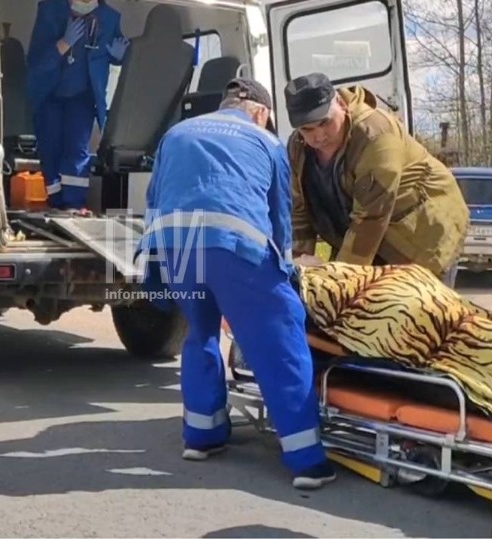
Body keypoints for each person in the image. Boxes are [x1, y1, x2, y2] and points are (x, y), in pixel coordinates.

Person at [134, 78, 337, 490]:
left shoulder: (176, 133)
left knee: (199, 333)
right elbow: (280, 214)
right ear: (261, 113)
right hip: (235, 246)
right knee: (278, 340)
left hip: (177, 246)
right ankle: (306, 460)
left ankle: (202, 436)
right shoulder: (266, 142)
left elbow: (154, 198)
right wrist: (285, 271)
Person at [283, 72, 470, 287]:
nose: (318, 135)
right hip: (364, 238)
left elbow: (370, 217)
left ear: (341, 104)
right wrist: (297, 266)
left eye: (325, 122)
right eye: (307, 129)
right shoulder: (298, 147)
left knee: (422, 313)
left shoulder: (377, 135)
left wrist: (340, 282)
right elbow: (299, 211)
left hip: (423, 237)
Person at [26, 0, 129, 211]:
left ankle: (74, 204)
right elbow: (36, 63)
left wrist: (117, 57)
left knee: (76, 151)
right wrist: (62, 44)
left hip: (83, 97)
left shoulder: (109, 18)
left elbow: (111, 52)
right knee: (50, 150)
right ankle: (55, 203)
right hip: (50, 95)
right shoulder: (50, 10)